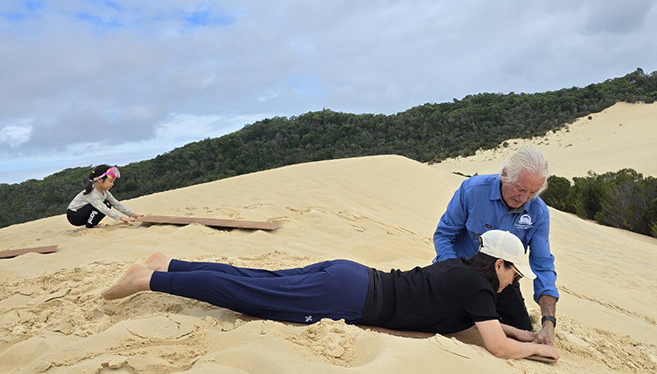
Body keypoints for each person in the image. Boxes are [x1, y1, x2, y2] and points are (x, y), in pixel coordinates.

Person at [102, 230, 560, 362]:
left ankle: (170, 264)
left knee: (256, 278)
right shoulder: (480, 287)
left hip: (350, 275)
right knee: (249, 294)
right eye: (513, 274)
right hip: (348, 300)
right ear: (498, 264)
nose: (513, 282)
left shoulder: (462, 271)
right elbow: (494, 345)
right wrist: (539, 354)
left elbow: (487, 327)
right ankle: (148, 280)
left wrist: (527, 332)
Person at [433, 147, 559, 345]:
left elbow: (542, 265)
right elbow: (444, 235)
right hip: (458, 271)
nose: (524, 198)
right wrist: (453, 274)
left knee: (525, 337)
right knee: (435, 322)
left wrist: (548, 322)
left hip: (502, 284)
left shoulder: (539, 213)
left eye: (533, 192)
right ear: (505, 175)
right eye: (520, 188)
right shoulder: (472, 190)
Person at [66, 165, 143, 228]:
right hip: (74, 216)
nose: (112, 184)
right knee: (104, 205)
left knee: (107, 203)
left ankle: (93, 224)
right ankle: (90, 225)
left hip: (83, 213)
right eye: (110, 181)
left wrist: (131, 214)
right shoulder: (92, 193)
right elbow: (103, 209)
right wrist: (121, 218)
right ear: (100, 180)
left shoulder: (105, 192)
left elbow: (116, 203)